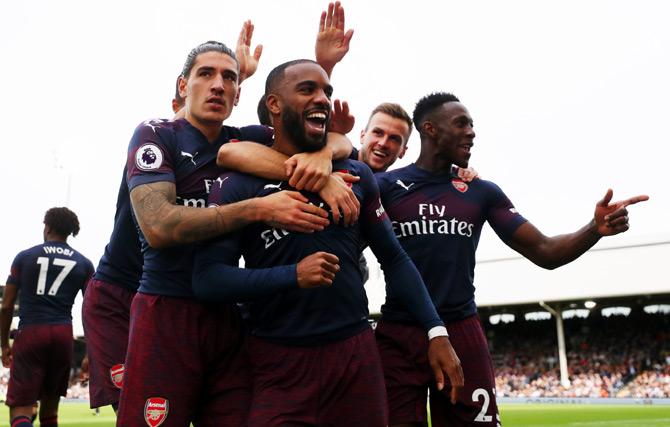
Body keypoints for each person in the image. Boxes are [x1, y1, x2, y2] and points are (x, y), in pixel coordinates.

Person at [192, 59, 464, 427]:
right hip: (277, 362)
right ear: (274, 104)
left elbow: (395, 260)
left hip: (355, 359)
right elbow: (208, 280)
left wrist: (436, 330)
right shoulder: (239, 184)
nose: (323, 99)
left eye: (326, 92)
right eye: (308, 90)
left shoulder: (355, 174)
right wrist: (293, 275)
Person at [374, 92, 649, 427]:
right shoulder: (385, 187)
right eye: (461, 123)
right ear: (429, 129)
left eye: (473, 125)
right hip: (400, 333)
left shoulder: (481, 192)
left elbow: (545, 252)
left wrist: (594, 228)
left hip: (461, 328)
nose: (472, 132)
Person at [1, 207, 93, 427]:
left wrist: (4, 344)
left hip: (31, 330)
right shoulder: (84, 264)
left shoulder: (25, 257)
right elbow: (91, 310)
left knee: (21, 408)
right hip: (63, 333)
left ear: (48, 227)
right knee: (50, 412)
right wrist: (89, 352)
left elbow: (6, 307)